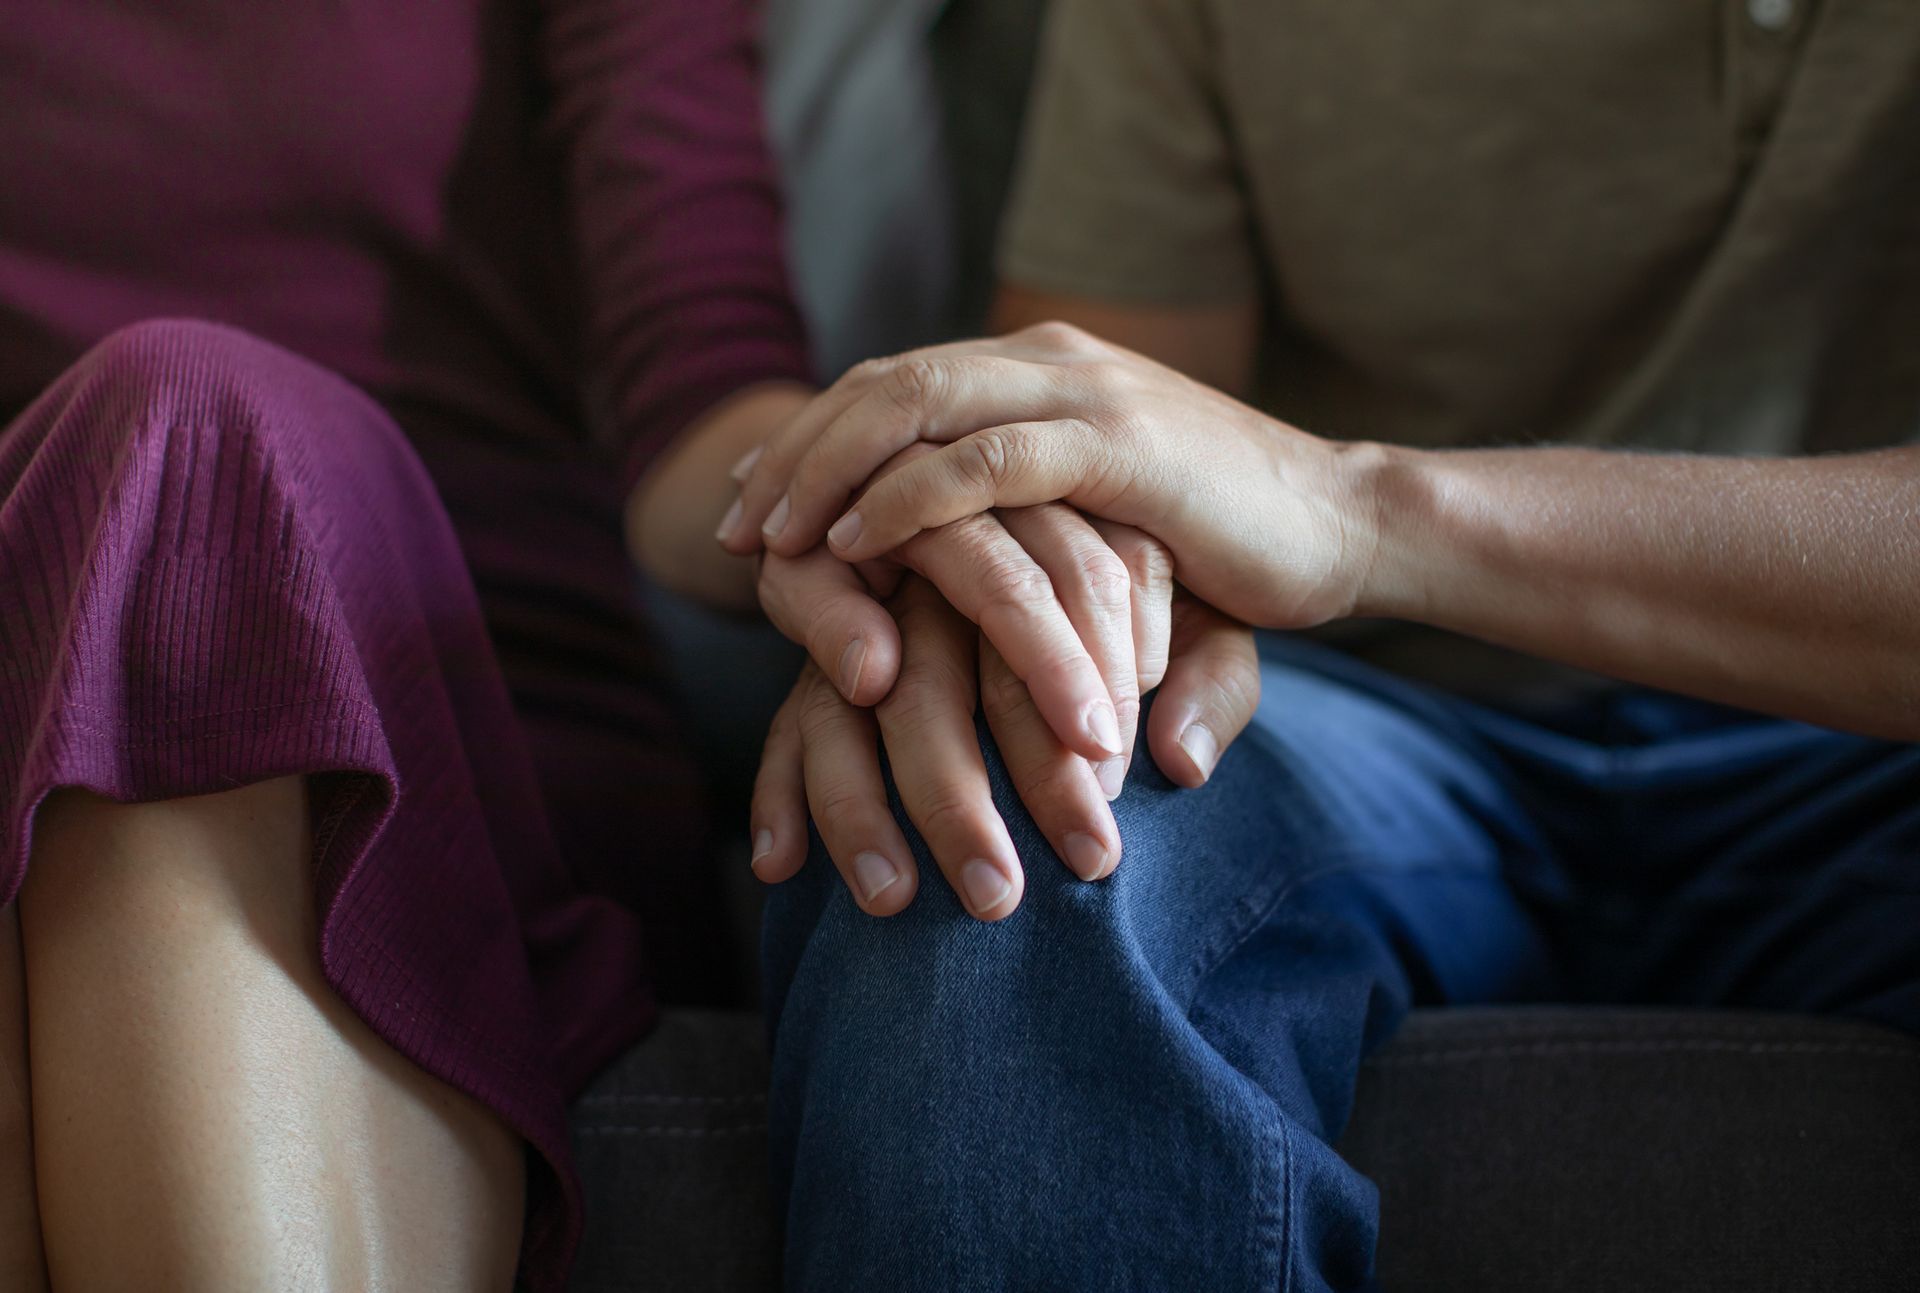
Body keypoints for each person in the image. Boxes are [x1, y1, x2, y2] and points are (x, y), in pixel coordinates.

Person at [720, 1, 1920, 1287]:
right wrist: (1035, 603)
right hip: (1371, 716)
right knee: (1017, 802)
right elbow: (1096, 456)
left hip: (1856, 747)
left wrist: (1359, 508)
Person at [0, 1, 831, 1287]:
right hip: (33, 667)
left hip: (484, 720)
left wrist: (907, 495)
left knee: (189, 434)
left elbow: (706, 381)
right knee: (152, 505)